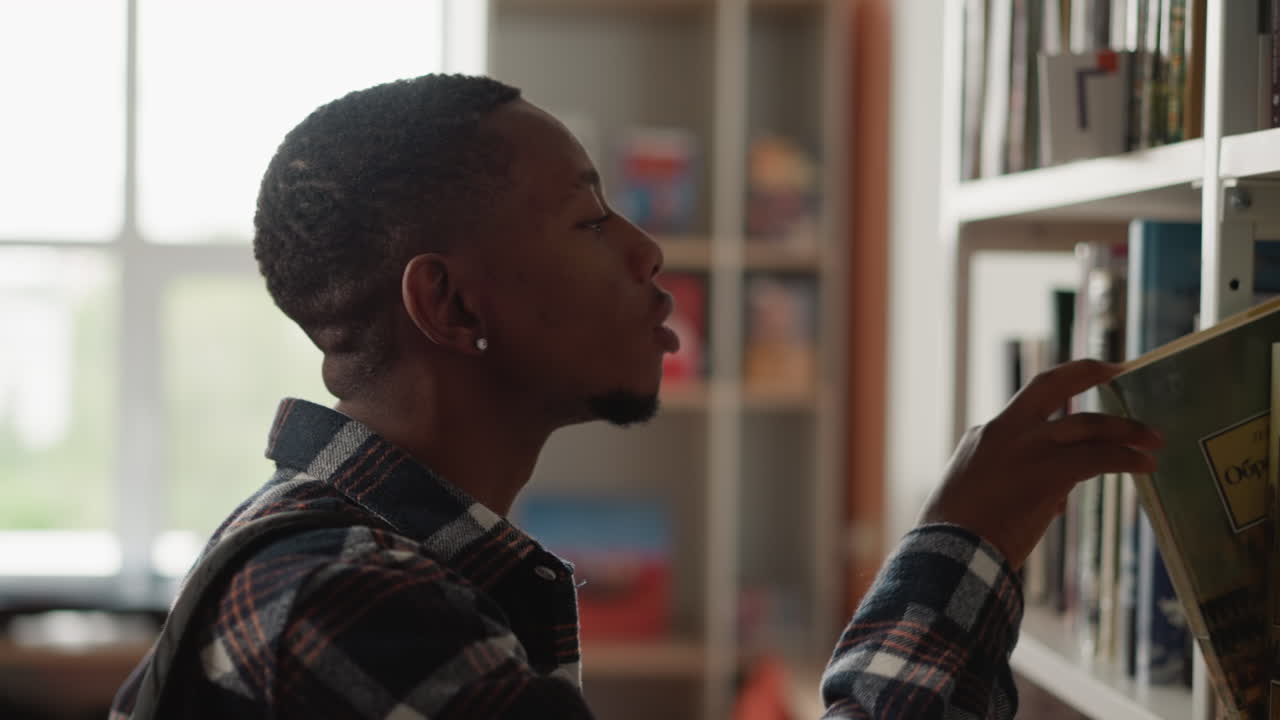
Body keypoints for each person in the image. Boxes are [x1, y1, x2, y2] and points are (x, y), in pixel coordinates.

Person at [109, 74, 1161, 719]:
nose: (648, 250)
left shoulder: (368, 559)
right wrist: (960, 546)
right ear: (446, 300)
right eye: (586, 220)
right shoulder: (342, 601)